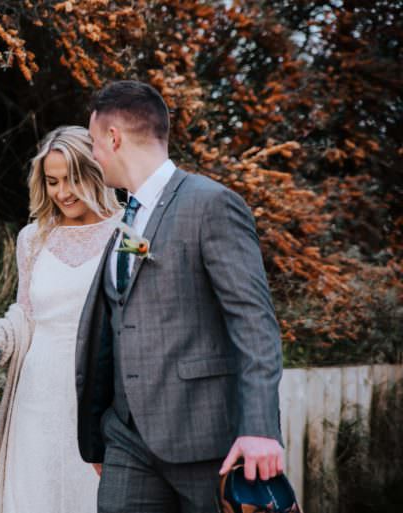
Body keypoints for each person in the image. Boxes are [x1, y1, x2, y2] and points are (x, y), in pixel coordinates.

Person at [75, 80, 285, 513]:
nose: (94, 156)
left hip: (205, 436)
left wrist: (261, 428)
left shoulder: (212, 204)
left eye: (94, 143)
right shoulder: (127, 217)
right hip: (126, 438)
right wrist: (99, 432)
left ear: (113, 138)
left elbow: (254, 320)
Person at [0, 125, 121, 513]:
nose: (63, 192)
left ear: (96, 172)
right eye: (53, 182)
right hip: (36, 396)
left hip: (99, 397)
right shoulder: (33, 239)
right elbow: (24, 319)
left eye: (72, 179)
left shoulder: (127, 234)